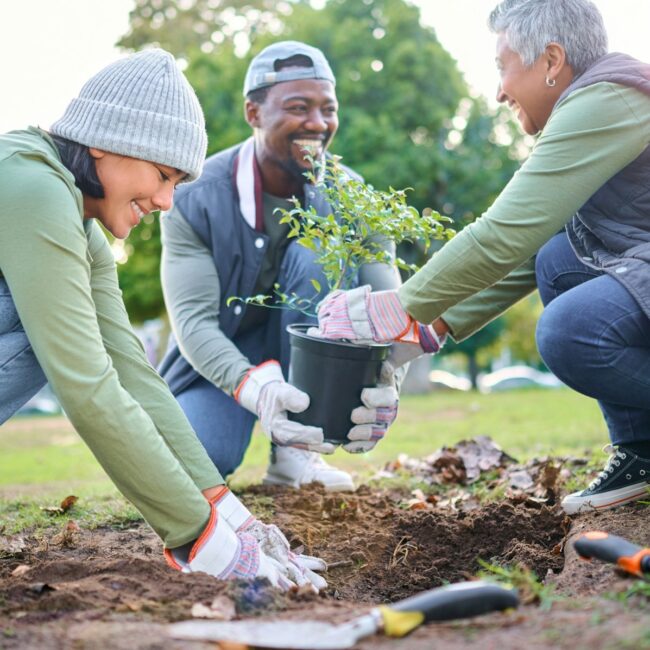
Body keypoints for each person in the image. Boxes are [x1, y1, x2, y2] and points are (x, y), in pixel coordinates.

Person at [0, 48, 326, 591]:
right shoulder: (31, 185)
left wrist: (231, 517)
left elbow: (130, 369)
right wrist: (205, 542)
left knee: (60, 332)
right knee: (45, 336)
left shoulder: (81, 223)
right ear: (106, 142)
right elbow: (87, 385)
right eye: (162, 174)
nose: (168, 200)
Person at [314, 0, 650, 515]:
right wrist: (424, 331)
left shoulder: (611, 99)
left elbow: (503, 233)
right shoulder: (591, 109)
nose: (498, 91)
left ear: (552, 61)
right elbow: (532, 243)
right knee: (559, 259)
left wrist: (398, 305)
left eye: (502, 67)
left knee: (570, 331)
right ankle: (642, 452)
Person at [158, 41, 403, 491]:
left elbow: (388, 304)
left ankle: (297, 455)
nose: (318, 123)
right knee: (195, 461)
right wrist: (257, 388)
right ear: (253, 113)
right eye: (298, 107)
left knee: (315, 250)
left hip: (315, 353)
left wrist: (391, 372)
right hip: (223, 357)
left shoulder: (354, 197)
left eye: (328, 109)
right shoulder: (195, 196)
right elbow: (192, 323)